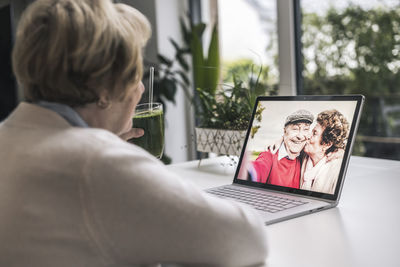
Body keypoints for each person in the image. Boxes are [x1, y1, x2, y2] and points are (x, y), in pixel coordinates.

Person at [0, 1, 268, 266]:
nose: (140, 89)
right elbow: (248, 239)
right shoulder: (97, 163)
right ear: (104, 90)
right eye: (134, 73)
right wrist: (111, 156)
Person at [249, 110, 314, 188]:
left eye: (306, 129)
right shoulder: (269, 155)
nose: (300, 136)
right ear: (284, 131)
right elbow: (257, 169)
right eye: (295, 129)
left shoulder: (305, 156)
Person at [300, 110, 349, 194]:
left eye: (314, 133)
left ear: (327, 144)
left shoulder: (336, 172)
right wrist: (282, 139)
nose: (308, 135)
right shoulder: (301, 155)